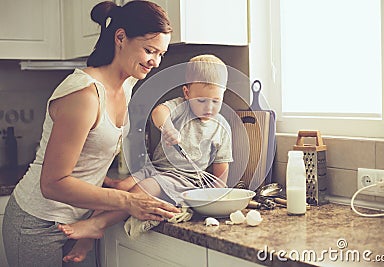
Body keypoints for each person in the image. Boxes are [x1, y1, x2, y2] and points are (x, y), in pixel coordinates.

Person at [2, 1, 181, 266]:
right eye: (149, 50)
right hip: (37, 224)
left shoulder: (128, 82)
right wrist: (127, 201)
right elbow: (52, 183)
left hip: (82, 220)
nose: (155, 62)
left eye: (161, 54)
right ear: (120, 37)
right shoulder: (84, 94)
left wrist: (111, 184)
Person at [57, 54, 233, 259]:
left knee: (140, 191)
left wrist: (213, 199)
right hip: (157, 168)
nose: (209, 107)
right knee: (120, 190)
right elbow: (159, 112)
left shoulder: (221, 128)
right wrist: (167, 127)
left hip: (183, 178)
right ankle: (86, 240)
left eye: (216, 100)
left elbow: (221, 174)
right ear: (186, 93)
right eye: (201, 100)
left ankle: (98, 224)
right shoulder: (180, 108)